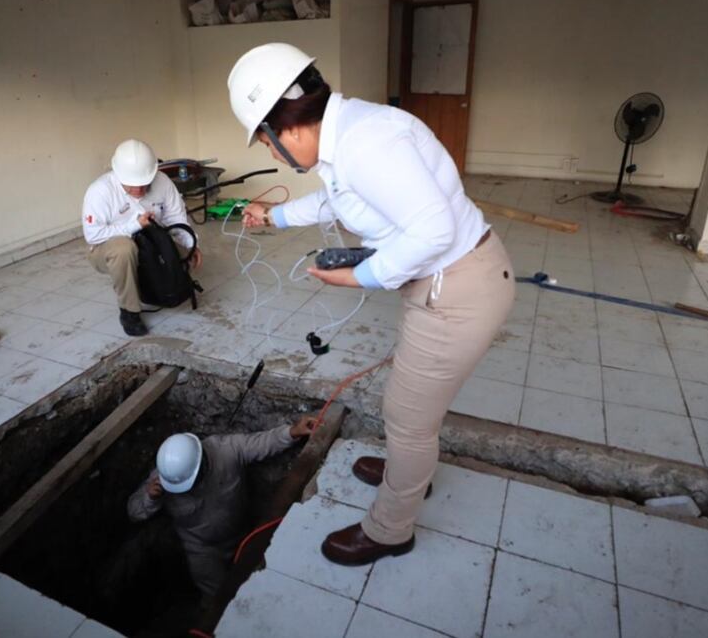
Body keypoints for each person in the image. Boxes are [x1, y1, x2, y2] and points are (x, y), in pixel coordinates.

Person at [227, 43, 515, 566]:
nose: (273, 155)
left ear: (285, 128)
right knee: (411, 409)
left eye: (267, 143)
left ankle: (390, 529)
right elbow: (340, 198)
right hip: (451, 282)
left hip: (458, 290)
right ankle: (408, 473)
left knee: (407, 417)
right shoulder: (349, 133)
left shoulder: (366, 144)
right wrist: (275, 217)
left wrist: (359, 277)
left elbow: (433, 229)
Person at [126, 416, 317, 599]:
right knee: (217, 598)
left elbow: (262, 443)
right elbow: (133, 512)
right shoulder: (166, 477)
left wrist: (292, 432)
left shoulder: (226, 450)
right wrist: (150, 498)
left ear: (200, 464)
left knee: (263, 582)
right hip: (202, 550)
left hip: (241, 533)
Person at [82, 139, 202, 336]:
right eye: (131, 185)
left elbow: (176, 217)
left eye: (144, 183)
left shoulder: (162, 182)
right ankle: (129, 311)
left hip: (152, 241)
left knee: (178, 257)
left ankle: (156, 286)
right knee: (124, 249)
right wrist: (135, 225)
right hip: (107, 248)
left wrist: (191, 244)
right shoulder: (100, 191)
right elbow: (93, 235)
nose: (138, 190)